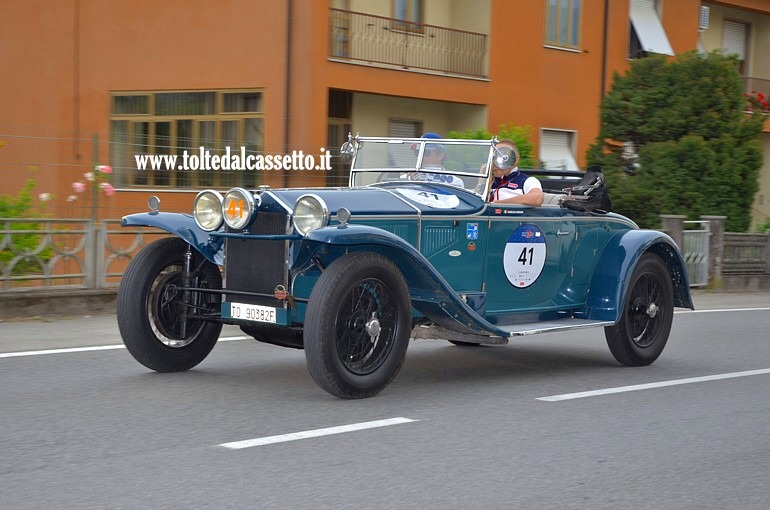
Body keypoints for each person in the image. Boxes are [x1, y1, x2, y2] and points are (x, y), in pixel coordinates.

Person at [488, 139, 543, 206]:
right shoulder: (490, 182)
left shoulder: (527, 181)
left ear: (515, 160)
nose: (495, 163)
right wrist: (482, 181)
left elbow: (536, 198)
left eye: (502, 157)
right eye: (493, 157)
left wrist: (498, 204)